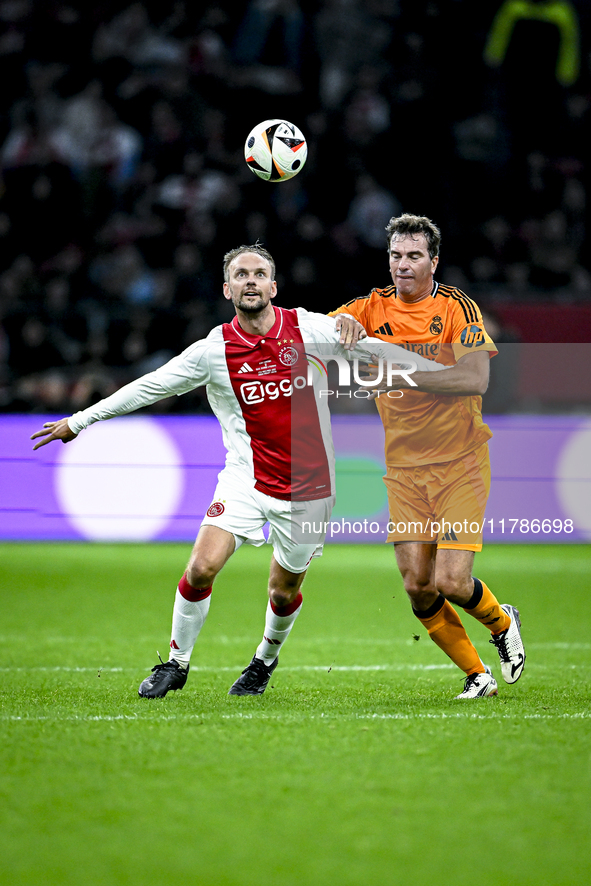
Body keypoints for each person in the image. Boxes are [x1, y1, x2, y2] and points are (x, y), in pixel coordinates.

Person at [31, 243, 444, 699]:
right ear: (227, 288)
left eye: (259, 273)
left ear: (273, 285)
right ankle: (175, 663)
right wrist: (79, 420)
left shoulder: (310, 329)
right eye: (241, 275)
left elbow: (373, 350)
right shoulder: (213, 351)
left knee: (283, 592)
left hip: (309, 490)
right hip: (244, 478)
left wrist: (440, 375)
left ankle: (263, 663)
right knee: (201, 567)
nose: (251, 281)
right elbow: (149, 387)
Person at [330, 214, 525, 699]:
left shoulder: (458, 308)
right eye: (396, 255)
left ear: (433, 261)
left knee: (452, 580)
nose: (403, 265)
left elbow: (474, 379)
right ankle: (478, 676)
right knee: (419, 586)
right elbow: (321, 329)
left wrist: (403, 374)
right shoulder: (370, 307)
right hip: (403, 471)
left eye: (414, 255)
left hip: (460, 462)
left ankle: (502, 622)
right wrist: (340, 324)